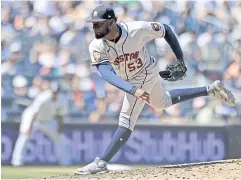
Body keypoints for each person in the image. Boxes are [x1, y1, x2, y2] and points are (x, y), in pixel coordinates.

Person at [75, 5, 235, 175]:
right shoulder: (96, 45)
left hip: (145, 72)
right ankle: (210, 89)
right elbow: (105, 72)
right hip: (130, 80)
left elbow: (165, 30)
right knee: (162, 102)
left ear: (112, 21)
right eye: (94, 24)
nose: (95, 27)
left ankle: (101, 162)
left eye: (99, 23)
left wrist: (180, 59)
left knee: (126, 119)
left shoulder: (137, 29)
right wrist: (131, 89)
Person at [11, 83, 70, 166]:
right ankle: (17, 162)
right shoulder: (43, 97)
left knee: (60, 138)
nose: (54, 94)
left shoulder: (62, 100)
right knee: (24, 136)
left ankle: (65, 162)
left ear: (59, 92)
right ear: (50, 91)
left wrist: (59, 128)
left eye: (56, 92)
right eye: (53, 92)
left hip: (48, 120)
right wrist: (28, 127)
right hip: (33, 118)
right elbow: (34, 114)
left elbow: (61, 116)